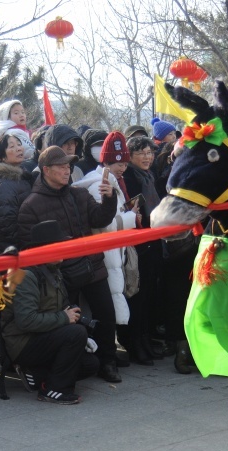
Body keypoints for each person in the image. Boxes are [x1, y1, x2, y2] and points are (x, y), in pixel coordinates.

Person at [17, 146, 121, 383]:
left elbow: (100, 218)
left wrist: (108, 198)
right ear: (46, 170)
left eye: (69, 166)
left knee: (106, 315)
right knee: (71, 323)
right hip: (61, 276)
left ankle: (108, 361)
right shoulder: (31, 205)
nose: (67, 171)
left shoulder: (79, 194)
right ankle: (75, 363)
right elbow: (28, 248)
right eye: (62, 167)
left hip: (93, 266)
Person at [1, 220, 102, 403]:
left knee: (91, 364)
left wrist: (68, 314)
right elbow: (26, 321)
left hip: (43, 335)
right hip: (24, 343)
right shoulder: (25, 275)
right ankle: (55, 389)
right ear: (44, 249)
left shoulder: (52, 269)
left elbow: (55, 307)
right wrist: (64, 318)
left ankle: (36, 375)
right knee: (75, 333)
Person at [76, 132, 137, 360]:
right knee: (104, 310)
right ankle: (104, 356)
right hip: (103, 255)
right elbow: (104, 224)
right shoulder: (97, 185)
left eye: (124, 164)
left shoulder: (112, 182)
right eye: (119, 163)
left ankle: (106, 353)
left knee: (108, 306)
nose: (122, 168)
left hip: (113, 254)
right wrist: (131, 218)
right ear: (107, 162)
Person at [124, 135, 165, 364]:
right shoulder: (128, 178)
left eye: (150, 152)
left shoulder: (150, 176)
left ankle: (146, 339)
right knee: (137, 296)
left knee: (149, 294)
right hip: (137, 244)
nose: (147, 157)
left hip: (154, 241)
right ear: (130, 156)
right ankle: (135, 343)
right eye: (141, 153)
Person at [0, 132, 35, 251]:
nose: (18, 148)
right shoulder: (4, 184)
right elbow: (7, 226)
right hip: (19, 249)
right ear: (1, 157)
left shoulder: (23, 175)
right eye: (12, 146)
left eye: (19, 144)